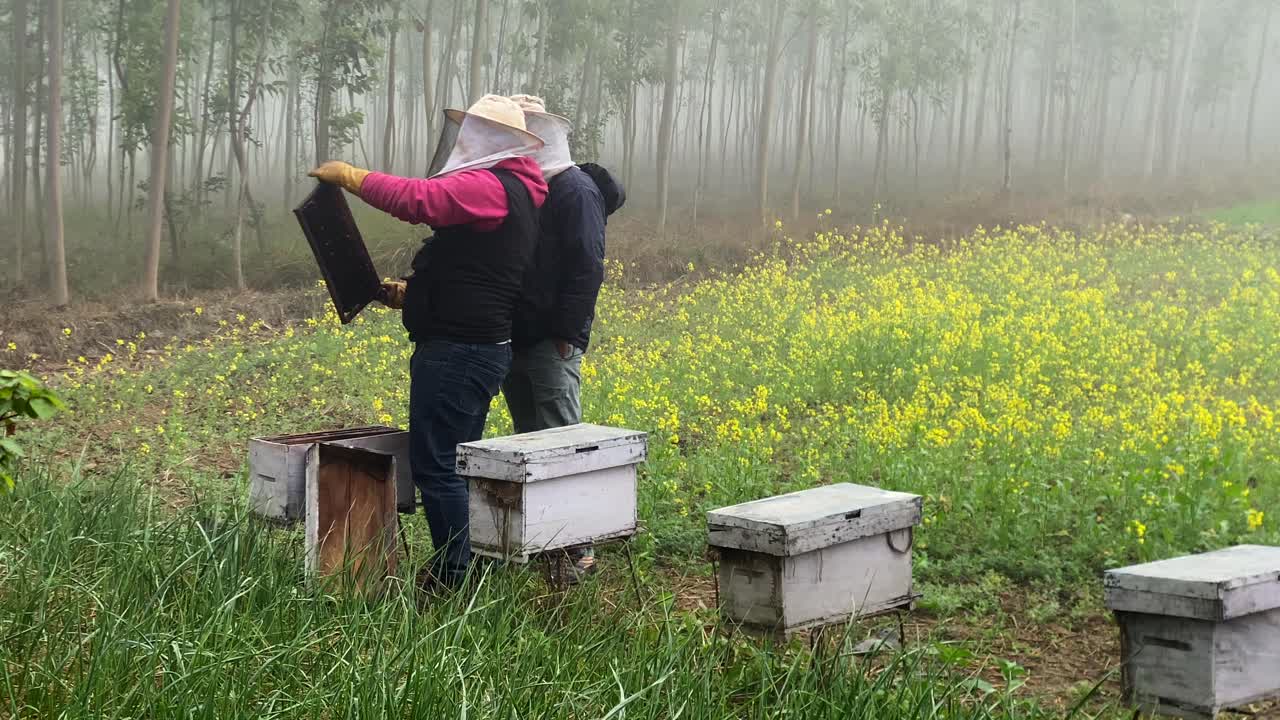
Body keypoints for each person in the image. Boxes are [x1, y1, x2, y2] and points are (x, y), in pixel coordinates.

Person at [308, 94, 548, 589]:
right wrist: (413, 294)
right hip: (472, 344)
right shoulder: (512, 188)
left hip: (460, 350)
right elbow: (478, 266)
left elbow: (420, 200)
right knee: (455, 458)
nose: (462, 140)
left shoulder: (493, 185)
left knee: (439, 463)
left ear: (490, 138)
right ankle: (466, 561)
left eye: (470, 131)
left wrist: (355, 177)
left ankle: (455, 575)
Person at [502, 94, 626, 580]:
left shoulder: (574, 190)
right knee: (529, 442)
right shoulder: (532, 191)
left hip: (550, 341)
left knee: (561, 440)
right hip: (519, 337)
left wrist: (565, 335)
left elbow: (586, 267)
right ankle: (544, 540)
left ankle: (578, 549)